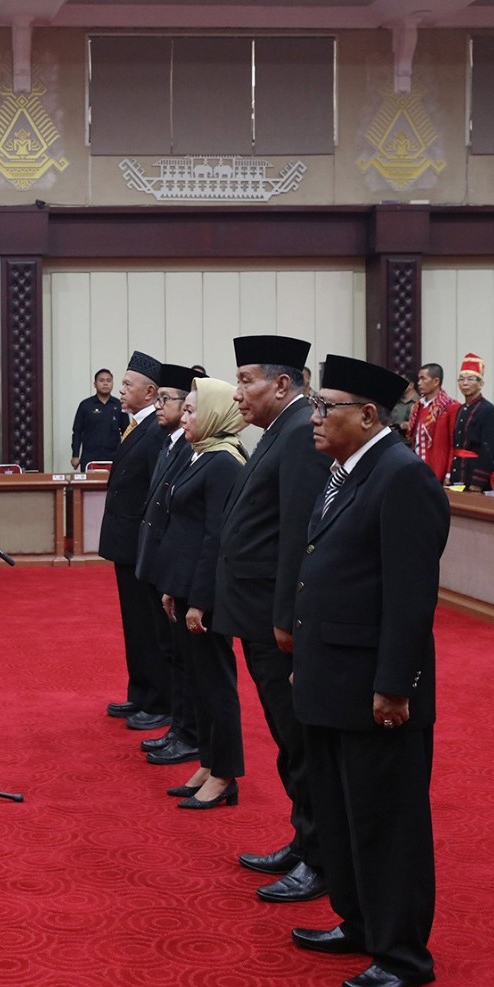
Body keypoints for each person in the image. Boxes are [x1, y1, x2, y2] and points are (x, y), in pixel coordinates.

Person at [290, 354, 448, 987]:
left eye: (328, 407)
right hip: (333, 679)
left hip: (375, 688)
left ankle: (403, 954)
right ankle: (359, 923)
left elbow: (411, 597)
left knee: (387, 822)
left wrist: (394, 685)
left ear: (370, 414)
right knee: (343, 812)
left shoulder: (401, 476)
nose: (316, 417)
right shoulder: (346, 471)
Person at [214, 335, 331, 903]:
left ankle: (321, 856)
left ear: (282, 384)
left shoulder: (302, 434)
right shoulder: (275, 432)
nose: (237, 394)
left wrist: (287, 619)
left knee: (301, 742)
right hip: (257, 614)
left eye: (245, 381)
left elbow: (298, 538)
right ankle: (303, 838)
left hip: (276, 622)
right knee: (288, 743)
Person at [154, 378, 248, 809]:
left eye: (192, 410)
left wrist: (199, 600)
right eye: (185, 409)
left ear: (212, 413)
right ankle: (209, 763)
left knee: (216, 683)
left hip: (205, 594)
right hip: (185, 585)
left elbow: (216, 539)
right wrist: (174, 588)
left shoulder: (224, 461)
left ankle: (225, 773)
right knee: (198, 682)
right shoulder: (201, 455)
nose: (185, 417)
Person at [133, 363, 200, 767]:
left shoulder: (197, 450)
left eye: (167, 400)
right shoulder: (169, 443)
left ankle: (187, 731)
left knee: (183, 656)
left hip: (180, 571)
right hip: (160, 565)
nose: (159, 406)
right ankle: (179, 727)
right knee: (170, 652)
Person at [98, 351, 169, 730]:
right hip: (125, 542)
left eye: (127, 385)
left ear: (151, 391)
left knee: (147, 624)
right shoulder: (132, 425)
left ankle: (158, 699)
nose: (121, 391)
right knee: (133, 624)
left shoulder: (155, 430)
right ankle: (140, 691)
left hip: (141, 543)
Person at [447, 353, 494, 491]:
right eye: (461, 379)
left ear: (481, 383)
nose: (465, 383)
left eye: (471, 379)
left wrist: (478, 482)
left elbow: (489, 449)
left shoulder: (488, 410)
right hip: (458, 473)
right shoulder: (461, 409)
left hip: (474, 476)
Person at [406, 363, 456, 482]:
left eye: (423, 379)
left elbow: (453, 443)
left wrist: (449, 473)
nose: (419, 383)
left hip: (437, 470)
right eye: (418, 379)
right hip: (417, 467)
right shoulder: (418, 406)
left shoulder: (450, 407)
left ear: (436, 381)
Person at [70, 368, 123, 469]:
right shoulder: (85, 405)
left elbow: (126, 432)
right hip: (90, 456)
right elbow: (77, 431)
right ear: (95, 384)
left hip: (114, 456)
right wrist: (75, 455)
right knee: (89, 485)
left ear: (113, 383)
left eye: (108, 380)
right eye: (101, 380)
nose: (105, 383)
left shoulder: (119, 405)